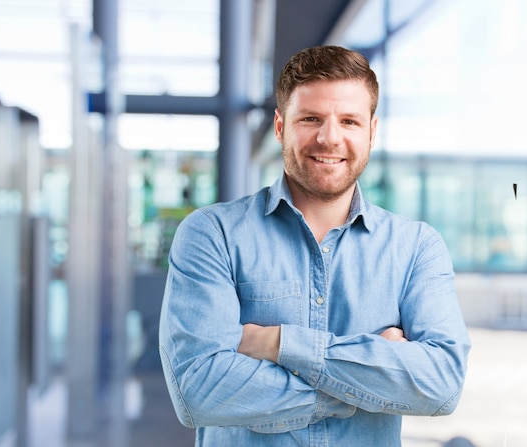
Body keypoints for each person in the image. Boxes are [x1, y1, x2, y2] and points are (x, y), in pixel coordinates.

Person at [159, 45, 471, 446]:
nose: (329, 138)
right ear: (279, 126)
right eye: (310, 119)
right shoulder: (212, 234)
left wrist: (276, 344)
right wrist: (368, 382)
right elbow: (198, 391)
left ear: (372, 131)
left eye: (349, 121)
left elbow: (440, 384)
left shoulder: (415, 248)